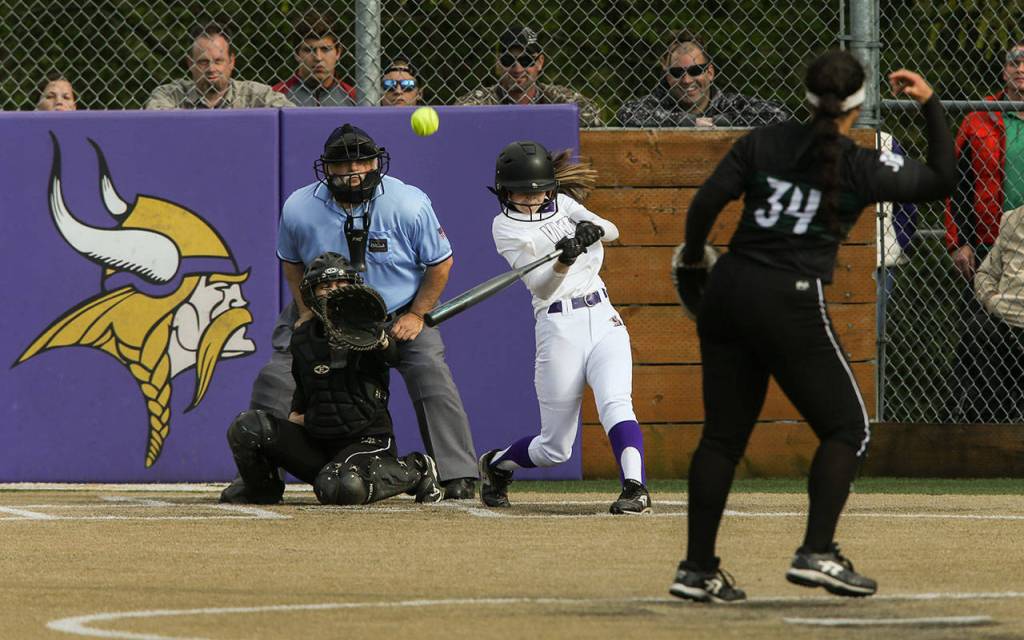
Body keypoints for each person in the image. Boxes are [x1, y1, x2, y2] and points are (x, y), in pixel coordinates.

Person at [668, 51, 954, 602]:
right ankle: (816, 551)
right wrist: (930, 102)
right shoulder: (858, 163)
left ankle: (697, 569)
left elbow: (706, 201)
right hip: (790, 298)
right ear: (858, 104)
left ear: (806, 97)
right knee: (848, 429)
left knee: (723, 439)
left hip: (729, 289)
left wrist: (692, 263)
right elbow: (941, 179)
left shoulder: (765, 140)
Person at [223, 123, 479, 503]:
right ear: (325, 169)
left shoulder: (409, 204)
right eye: (340, 165)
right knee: (275, 378)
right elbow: (292, 263)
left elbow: (440, 264)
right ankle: (259, 478)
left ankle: (457, 472)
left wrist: (418, 315)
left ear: (377, 162)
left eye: (361, 161)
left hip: (395, 312)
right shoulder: (299, 206)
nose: (351, 171)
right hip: (323, 313)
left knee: (430, 372)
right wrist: (306, 311)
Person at [478, 141, 651, 515]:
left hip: (604, 317)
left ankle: (635, 488)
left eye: (540, 189)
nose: (534, 198)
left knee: (616, 402)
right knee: (556, 448)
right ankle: (497, 464)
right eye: (524, 192)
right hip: (558, 326)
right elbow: (541, 285)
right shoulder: (504, 227)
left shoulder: (565, 205)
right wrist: (564, 260)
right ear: (505, 191)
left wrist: (591, 228)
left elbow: (613, 230)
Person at [222, 252, 444, 506]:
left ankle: (417, 468)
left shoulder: (370, 331)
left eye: (341, 285)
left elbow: (391, 357)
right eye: (325, 286)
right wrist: (298, 417)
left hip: (365, 441)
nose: (333, 291)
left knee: (341, 487)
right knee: (248, 427)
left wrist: (379, 340)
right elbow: (301, 395)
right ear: (311, 295)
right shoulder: (302, 337)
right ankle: (262, 490)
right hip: (318, 441)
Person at [944, 41, 1024, 422]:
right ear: (1004, 70)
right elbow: (955, 185)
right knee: (981, 335)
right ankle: (976, 420)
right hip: (988, 243)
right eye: (1015, 62)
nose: (1021, 68)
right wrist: (958, 242)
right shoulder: (978, 117)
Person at [616, 30, 789, 128]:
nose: (686, 80)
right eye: (677, 73)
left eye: (695, 70)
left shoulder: (725, 103)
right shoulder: (659, 102)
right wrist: (689, 122)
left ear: (710, 72)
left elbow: (777, 113)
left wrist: (720, 121)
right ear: (668, 77)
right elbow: (627, 113)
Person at [455, 25, 603, 127]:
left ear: (539, 62)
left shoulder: (556, 97)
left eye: (526, 61)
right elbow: (455, 117)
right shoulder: (480, 102)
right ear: (498, 64)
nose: (517, 68)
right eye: (508, 60)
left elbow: (592, 113)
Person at [145, 23, 294, 109]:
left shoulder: (255, 95)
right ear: (190, 63)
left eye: (218, 61)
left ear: (231, 62)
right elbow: (156, 121)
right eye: (203, 62)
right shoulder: (170, 95)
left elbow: (294, 119)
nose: (211, 69)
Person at [970, 204, 1024, 422]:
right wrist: (991, 299)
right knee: (976, 328)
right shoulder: (1011, 220)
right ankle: (1003, 415)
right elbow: (984, 273)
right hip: (1005, 319)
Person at [272, 10, 356, 107]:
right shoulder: (275, 96)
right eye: (308, 50)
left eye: (325, 49)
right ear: (296, 54)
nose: (318, 58)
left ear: (338, 52)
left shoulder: (354, 98)